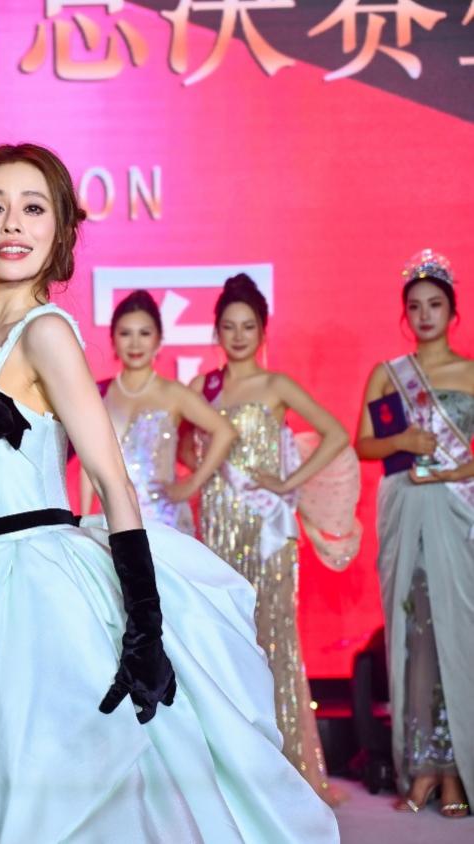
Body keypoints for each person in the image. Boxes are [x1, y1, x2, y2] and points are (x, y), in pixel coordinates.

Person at [0, 144, 338, 842]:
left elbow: (111, 479)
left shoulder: (45, 332)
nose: (14, 224)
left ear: (60, 228)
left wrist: (144, 629)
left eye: (34, 208)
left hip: (34, 586)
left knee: (52, 793)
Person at [190, 274, 352, 805]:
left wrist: (288, 482)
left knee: (272, 641)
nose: (238, 336)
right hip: (217, 529)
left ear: (262, 331)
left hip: (267, 534)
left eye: (248, 326)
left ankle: (286, 770)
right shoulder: (204, 387)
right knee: (221, 643)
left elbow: (335, 433)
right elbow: (185, 447)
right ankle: (234, 769)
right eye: (229, 326)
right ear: (216, 331)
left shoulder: (277, 385)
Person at [354, 249, 471, 819]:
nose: (425, 315)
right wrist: (404, 442)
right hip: (406, 513)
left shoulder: (470, 374)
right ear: (405, 314)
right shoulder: (388, 373)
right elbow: (363, 444)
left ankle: (459, 768)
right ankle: (424, 765)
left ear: (453, 312)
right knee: (415, 631)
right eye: (416, 306)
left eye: (435, 305)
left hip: (458, 514)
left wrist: (455, 471)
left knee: (460, 633)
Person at [80, 290, 236, 534]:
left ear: (159, 339)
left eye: (144, 333)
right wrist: (82, 518)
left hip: (165, 523)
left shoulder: (173, 393)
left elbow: (225, 432)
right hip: (112, 524)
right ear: (112, 339)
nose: (135, 343)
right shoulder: (98, 393)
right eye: (125, 333)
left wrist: (191, 484)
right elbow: (88, 463)